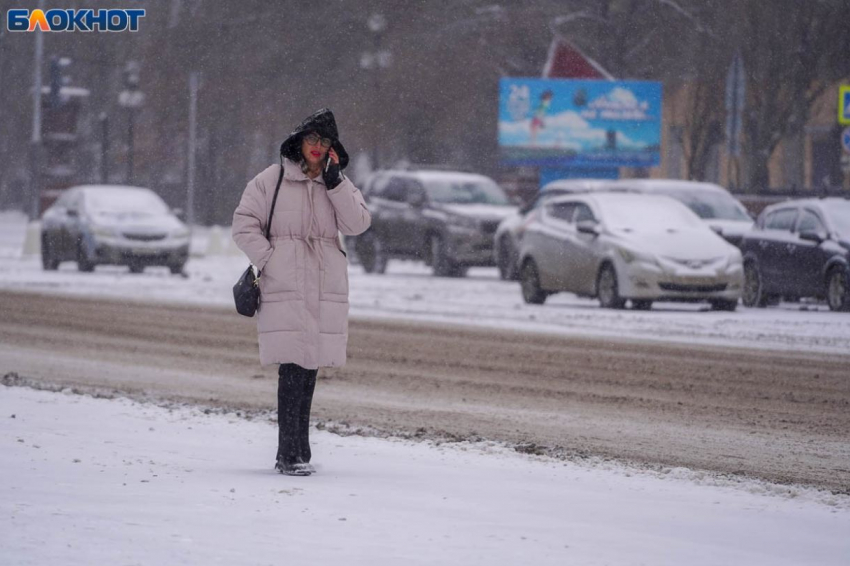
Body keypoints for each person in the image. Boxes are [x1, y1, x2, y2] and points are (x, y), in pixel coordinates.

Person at [232, 109, 371, 476]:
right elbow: (243, 225)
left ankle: (300, 451)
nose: (317, 147)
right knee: (292, 367)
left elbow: (358, 223)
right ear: (299, 141)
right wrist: (271, 260)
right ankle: (287, 453)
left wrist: (336, 183)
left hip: (323, 286)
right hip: (286, 285)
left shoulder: (335, 183)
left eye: (325, 141)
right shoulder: (272, 180)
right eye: (312, 139)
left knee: (310, 369)